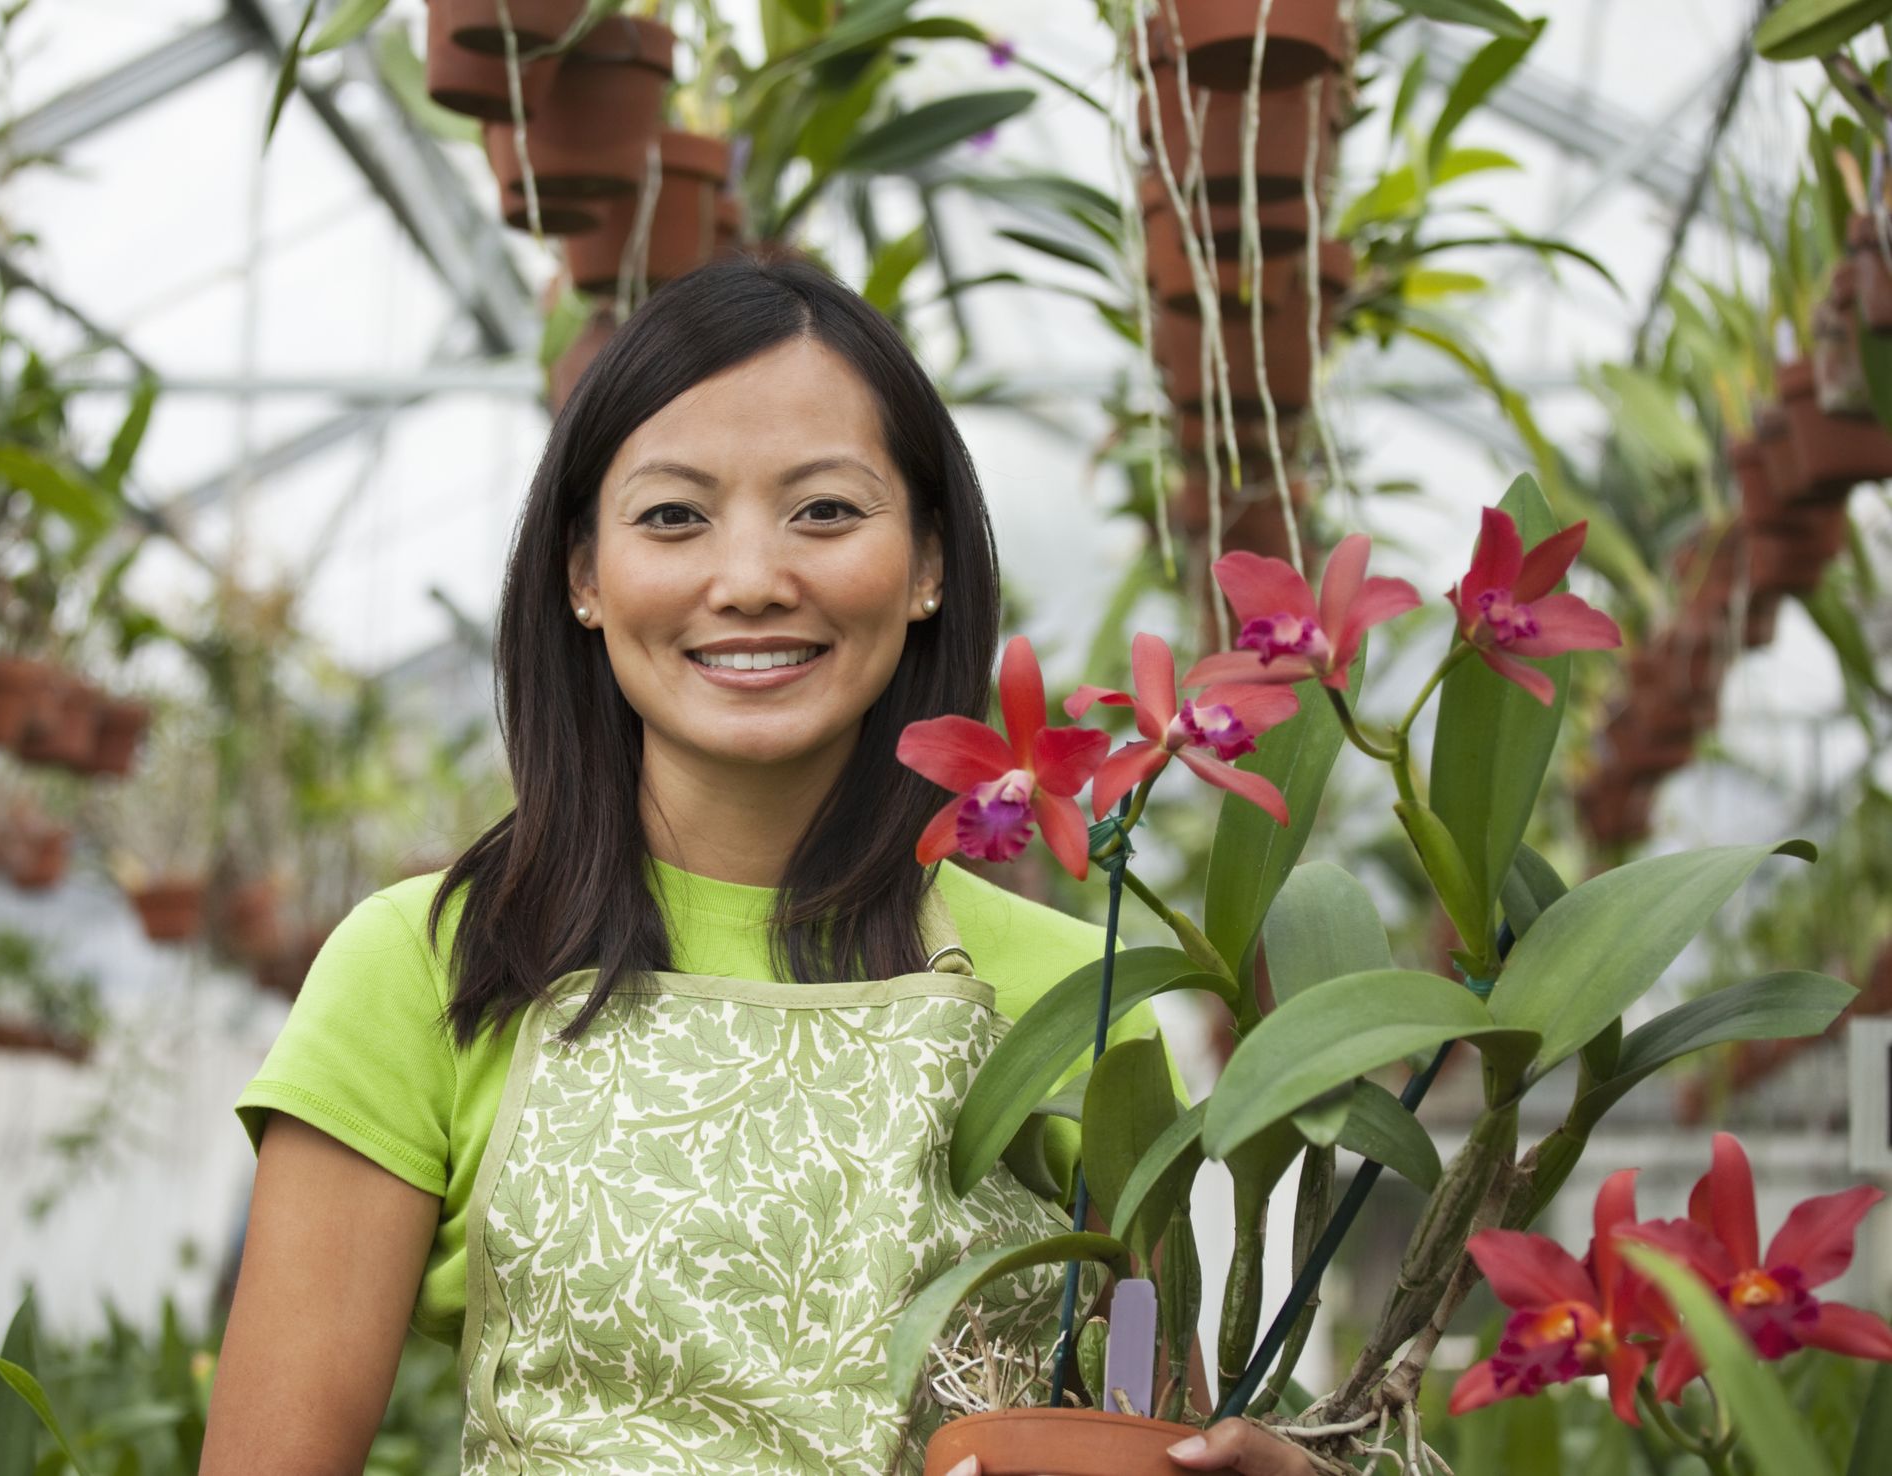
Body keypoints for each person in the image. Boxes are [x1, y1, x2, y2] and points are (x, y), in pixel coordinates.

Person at [202, 256, 1287, 1474]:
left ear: (927, 562)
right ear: (582, 575)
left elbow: (1143, 1422)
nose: (752, 579)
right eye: (672, 516)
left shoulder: (1085, 993)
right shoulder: (434, 964)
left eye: (824, 510)